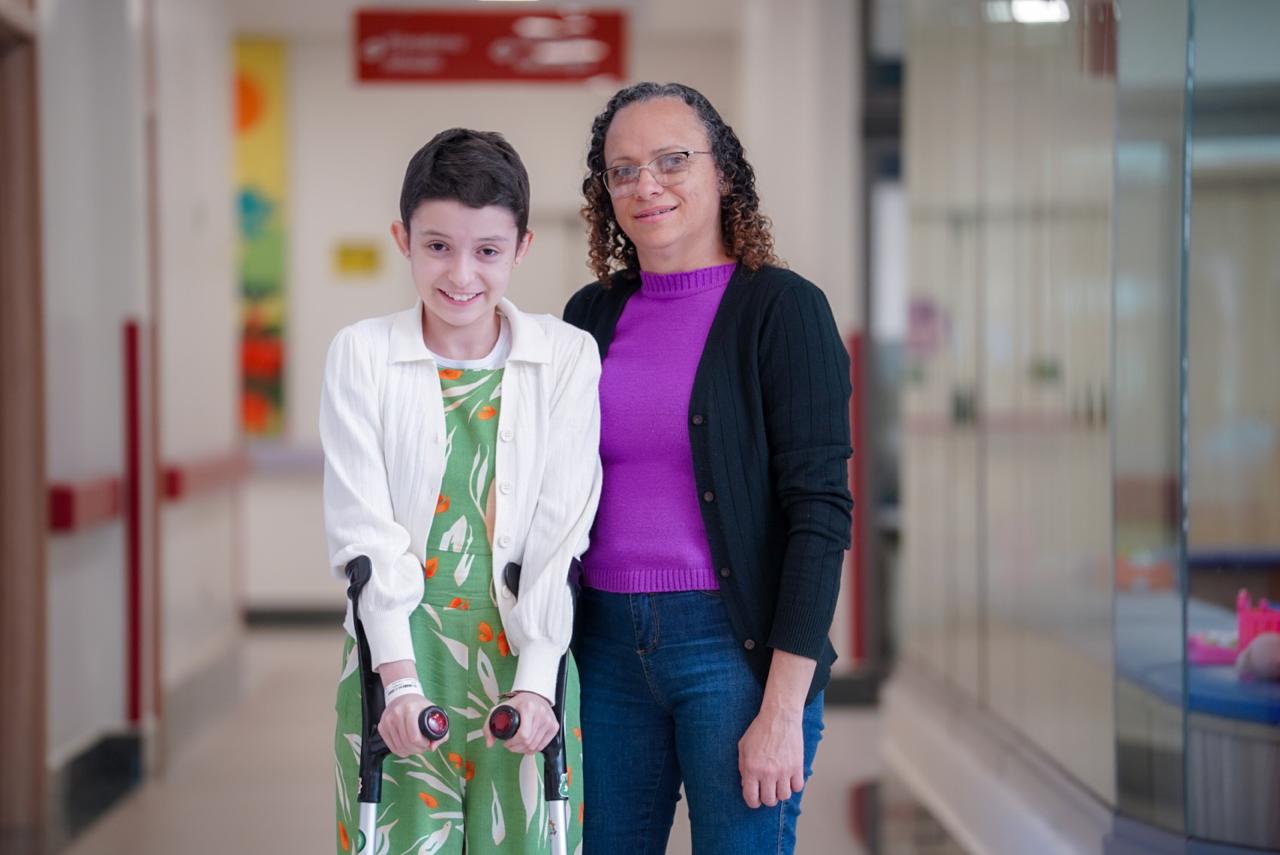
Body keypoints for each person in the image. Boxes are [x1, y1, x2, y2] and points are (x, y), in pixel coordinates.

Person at [563, 82, 853, 854]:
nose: (646, 185)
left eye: (672, 160)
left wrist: (782, 708)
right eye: (623, 170)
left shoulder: (784, 309)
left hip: (735, 652)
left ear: (723, 172)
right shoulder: (587, 316)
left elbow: (820, 513)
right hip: (604, 650)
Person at [322, 128, 601, 855]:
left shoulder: (567, 357)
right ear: (403, 239)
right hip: (398, 662)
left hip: (525, 660)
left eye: (487, 251)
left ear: (522, 248)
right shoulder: (362, 354)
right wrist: (398, 683)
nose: (461, 274)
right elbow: (363, 530)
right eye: (438, 246)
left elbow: (561, 534)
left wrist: (536, 682)